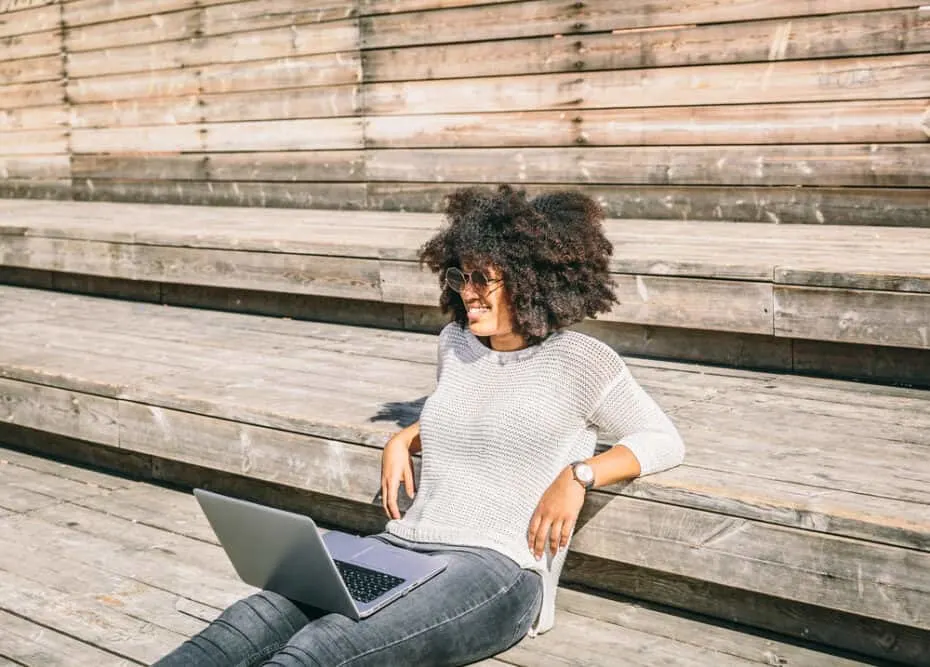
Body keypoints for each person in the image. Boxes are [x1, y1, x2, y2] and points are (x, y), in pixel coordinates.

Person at [156, 185, 684, 666]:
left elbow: (662, 439)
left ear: (532, 281)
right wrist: (408, 434)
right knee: (249, 620)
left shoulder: (582, 361)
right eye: (460, 275)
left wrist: (579, 476)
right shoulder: (455, 346)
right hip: (403, 545)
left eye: (483, 279)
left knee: (322, 647)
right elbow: (478, 414)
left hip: (498, 569)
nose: (467, 292)